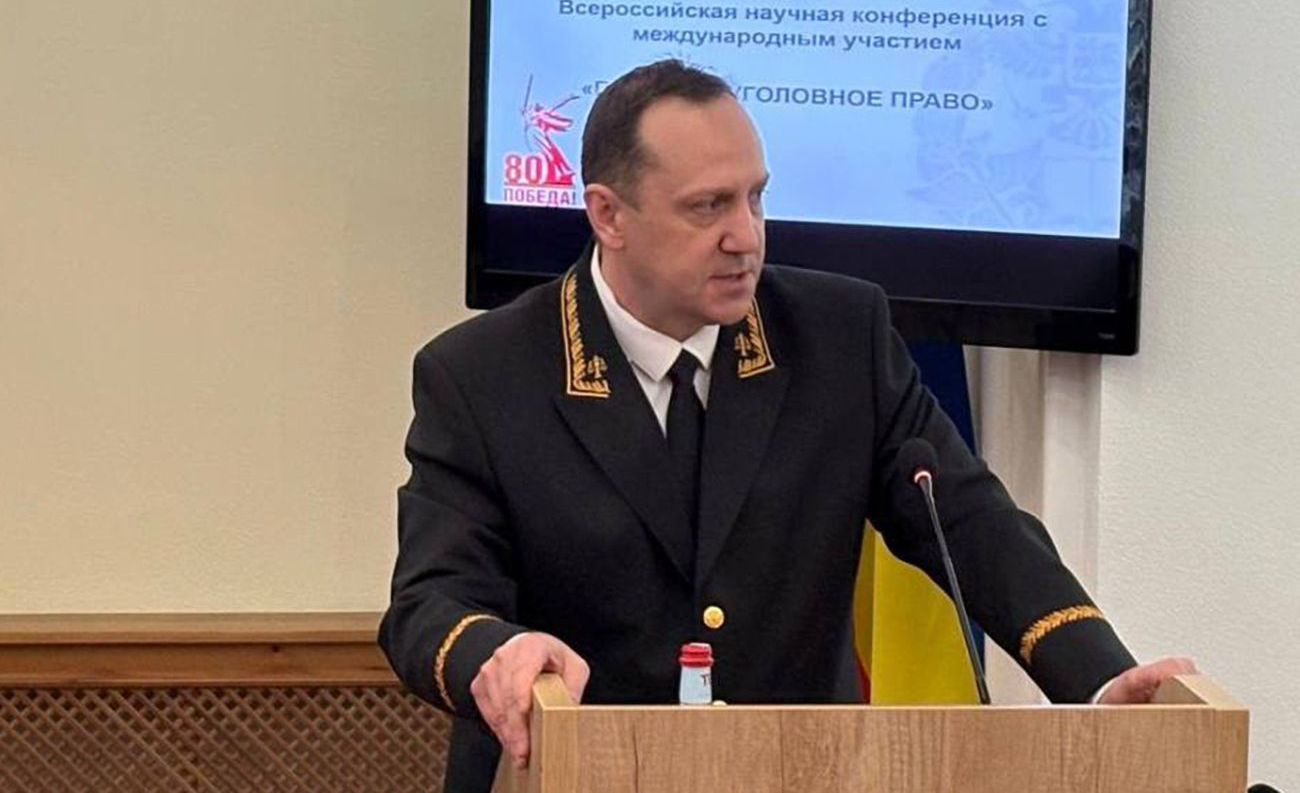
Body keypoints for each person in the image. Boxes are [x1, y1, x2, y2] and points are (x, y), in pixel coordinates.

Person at [378, 59, 1194, 793]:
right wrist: (496, 654)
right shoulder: (482, 374)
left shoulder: (838, 337)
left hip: (798, 772)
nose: (745, 236)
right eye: (707, 207)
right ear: (608, 215)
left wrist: (1097, 677)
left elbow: (971, 522)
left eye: (755, 197)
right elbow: (429, 602)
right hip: (570, 777)